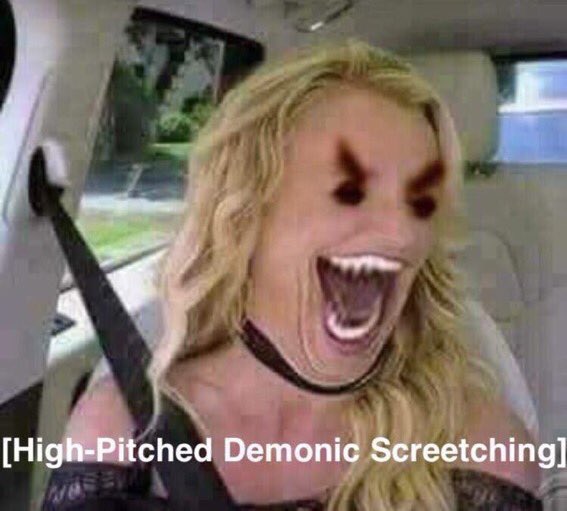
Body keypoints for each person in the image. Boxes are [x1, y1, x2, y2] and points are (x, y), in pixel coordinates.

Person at [42, 40, 542, 510]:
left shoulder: (480, 447)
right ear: (248, 211)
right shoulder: (119, 430)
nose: (401, 234)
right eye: (351, 190)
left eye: (420, 201)